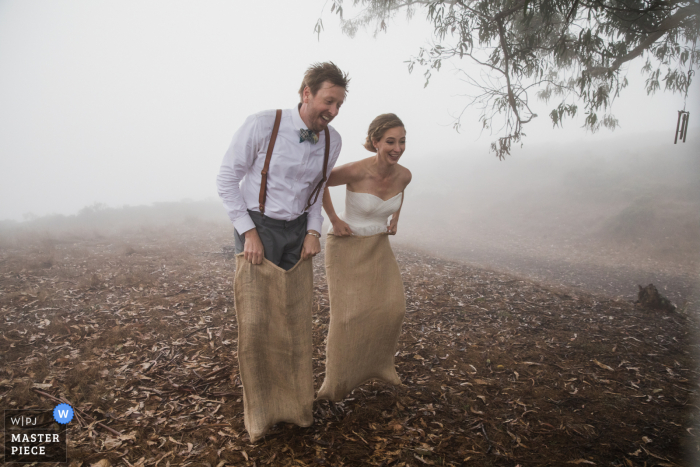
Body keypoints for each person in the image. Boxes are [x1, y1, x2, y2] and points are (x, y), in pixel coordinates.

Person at [216, 62, 350, 442]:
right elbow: (226, 178)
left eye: (339, 104)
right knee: (258, 322)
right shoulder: (262, 124)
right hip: (258, 227)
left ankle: (294, 405)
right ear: (306, 92)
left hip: (297, 235)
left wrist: (313, 232)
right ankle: (260, 411)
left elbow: (315, 191)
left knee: (292, 320)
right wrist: (248, 232)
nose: (334, 111)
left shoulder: (333, 140)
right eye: (328, 101)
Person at [317, 113, 411, 402]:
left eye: (403, 141)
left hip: (378, 245)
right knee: (348, 317)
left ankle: (380, 366)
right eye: (391, 141)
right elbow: (319, 182)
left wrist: (396, 217)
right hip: (346, 243)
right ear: (375, 142)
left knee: (393, 308)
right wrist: (333, 219)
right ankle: (336, 384)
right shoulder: (356, 170)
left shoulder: (405, 174)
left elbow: (400, 193)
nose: (398, 148)